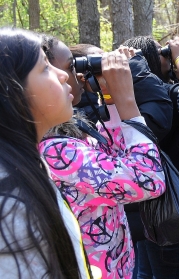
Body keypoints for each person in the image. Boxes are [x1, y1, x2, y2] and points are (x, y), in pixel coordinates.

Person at [39, 37, 167, 279]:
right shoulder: (56, 151)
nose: (75, 76)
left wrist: (110, 98)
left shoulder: (64, 137)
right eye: (70, 66)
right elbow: (148, 180)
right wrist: (127, 101)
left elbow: (116, 157)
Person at [0, 28, 90, 278]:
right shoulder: (10, 207)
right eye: (45, 67)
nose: (64, 75)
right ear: (12, 90)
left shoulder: (25, 165)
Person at [123, 35, 179, 279]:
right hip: (170, 212)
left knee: (145, 271)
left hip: (143, 210)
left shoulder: (121, 102)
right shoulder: (164, 98)